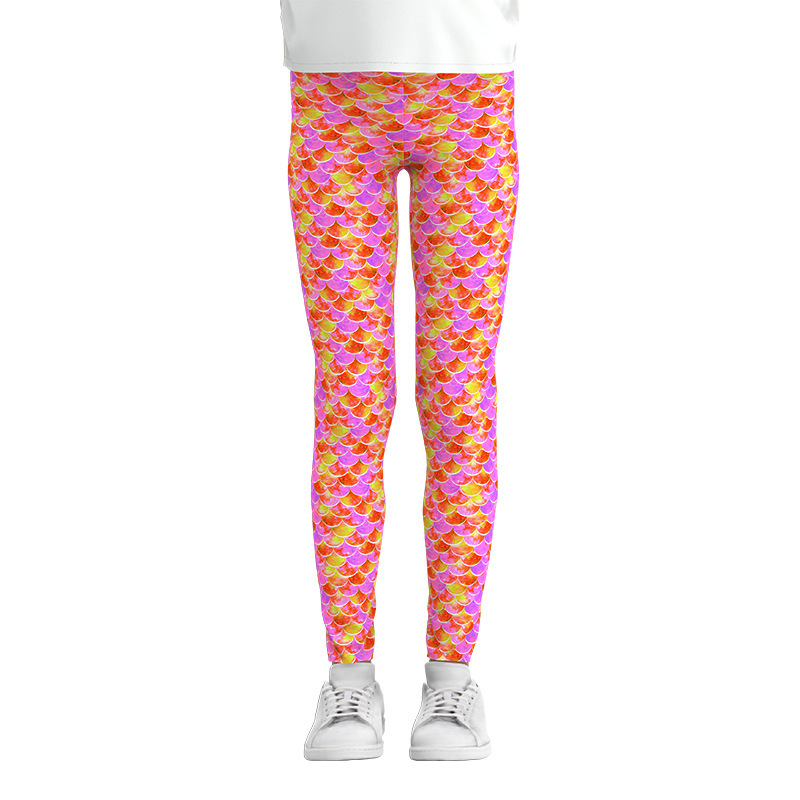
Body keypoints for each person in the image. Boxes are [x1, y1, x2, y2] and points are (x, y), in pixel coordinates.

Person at [281, 0, 520, 761]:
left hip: (469, 87)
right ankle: (348, 680)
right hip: (334, 90)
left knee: (458, 398)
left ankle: (451, 678)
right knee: (350, 400)